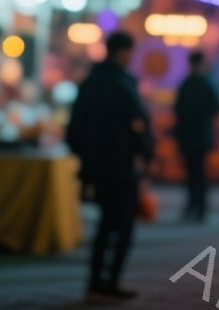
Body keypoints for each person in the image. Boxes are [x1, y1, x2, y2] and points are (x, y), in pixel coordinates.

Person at [66, 31, 153, 301]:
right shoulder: (123, 84)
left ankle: (95, 281)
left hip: (96, 165)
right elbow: (138, 124)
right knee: (123, 226)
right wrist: (146, 154)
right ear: (123, 52)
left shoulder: (90, 82)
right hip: (120, 165)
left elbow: (74, 128)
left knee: (105, 223)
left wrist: (85, 157)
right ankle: (111, 280)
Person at [173, 50, 219, 222]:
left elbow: (177, 110)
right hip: (202, 135)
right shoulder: (207, 84)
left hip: (187, 136)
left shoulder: (186, 84)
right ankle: (200, 207)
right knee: (200, 173)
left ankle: (192, 205)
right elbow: (218, 107)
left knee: (190, 173)